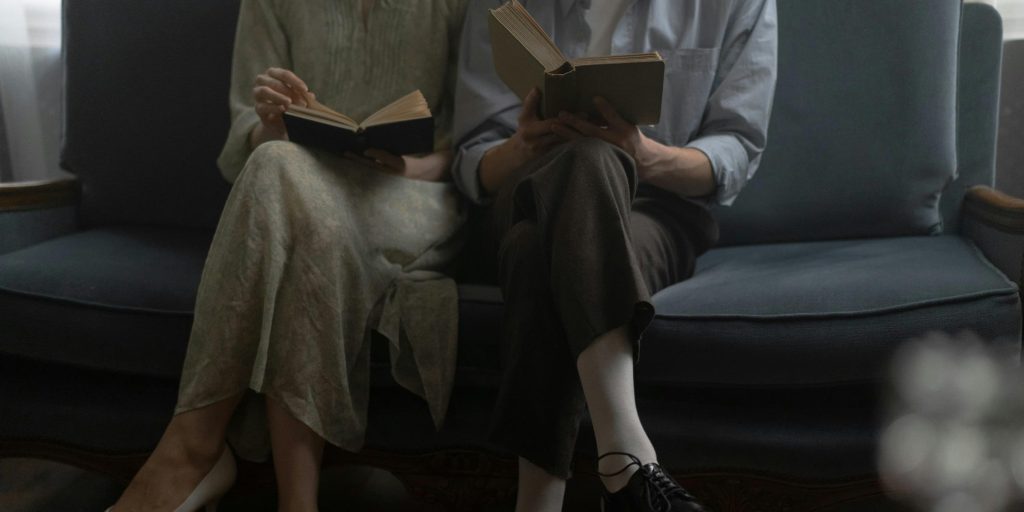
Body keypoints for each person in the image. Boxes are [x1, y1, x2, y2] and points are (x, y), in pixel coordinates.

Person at [108, 1, 468, 510]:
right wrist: (271, 122)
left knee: (297, 206)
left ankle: (192, 450)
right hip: (303, 177)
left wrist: (409, 166)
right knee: (280, 169)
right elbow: (246, 136)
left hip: (413, 190)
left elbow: (476, 139)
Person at [452, 0, 777, 510]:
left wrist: (645, 156)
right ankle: (627, 458)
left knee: (535, 247)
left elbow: (735, 150)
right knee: (580, 164)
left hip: (654, 208)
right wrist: (523, 147)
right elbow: (472, 161)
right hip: (524, 193)